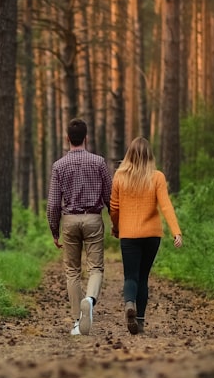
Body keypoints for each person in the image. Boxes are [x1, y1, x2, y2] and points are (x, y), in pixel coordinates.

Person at [46, 118, 113, 336]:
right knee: (95, 268)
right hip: (93, 218)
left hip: (70, 221)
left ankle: (77, 321)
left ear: (68, 139)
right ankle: (90, 300)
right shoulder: (99, 162)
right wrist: (116, 222)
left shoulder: (59, 166)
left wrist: (54, 230)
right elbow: (110, 197)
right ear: (86, 138)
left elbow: (54, 203)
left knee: (72, 271)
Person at [110, 137, 183, 335]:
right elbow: (166, 205)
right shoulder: (157, 177)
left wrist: (116, 228)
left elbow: (114, 209)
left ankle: (129, 304)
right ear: (149, 155)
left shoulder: (120, 176)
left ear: (129, 154)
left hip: (129, 234)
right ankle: (139, 321)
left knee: (130, 277)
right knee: (143, 277)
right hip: (152, 235)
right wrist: (176, 231)